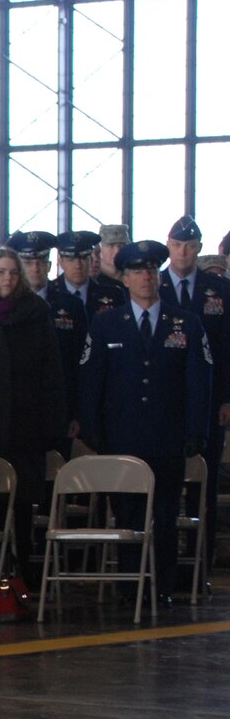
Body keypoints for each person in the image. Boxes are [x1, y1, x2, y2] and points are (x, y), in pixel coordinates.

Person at [79, 240, 211, 600]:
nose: (145, 277)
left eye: (151, 270)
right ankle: (128, 586)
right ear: (124, 278)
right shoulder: (107, 324)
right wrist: (91, 428)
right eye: (137, 271)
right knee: (126, 515)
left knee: (166, 517)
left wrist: (196, 430)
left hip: (167, 438)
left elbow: (200, 383)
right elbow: (92, 379)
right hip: (122, 437)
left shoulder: (186, 322)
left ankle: (162, 587)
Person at [0, 247, 66, 583]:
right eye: (1, 272)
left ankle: (22, 580)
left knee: (21, 506)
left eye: (12, 272)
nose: (7, 278)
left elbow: (52, 373)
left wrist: (52, 425)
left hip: (24, 427)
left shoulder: (35, 312)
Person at [162, 215, 230, 565]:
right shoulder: (152, 284)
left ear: (199, 249)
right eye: (177, 245)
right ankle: (165, 558)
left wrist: (227, 398)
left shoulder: (218, 289)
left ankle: (199, 559)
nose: (183, 252)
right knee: (165, 483)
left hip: (207, 401)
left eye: (190, 246)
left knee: (203, 482)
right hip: (163, 401)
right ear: (169, 246)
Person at [47, 230, 119, 434]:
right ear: (60, 261)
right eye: (70, 258)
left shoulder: (113, 294)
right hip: (65, 393)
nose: (77, 264)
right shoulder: (49, 298)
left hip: (105, 393)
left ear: (92, 258)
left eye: (83, 257)